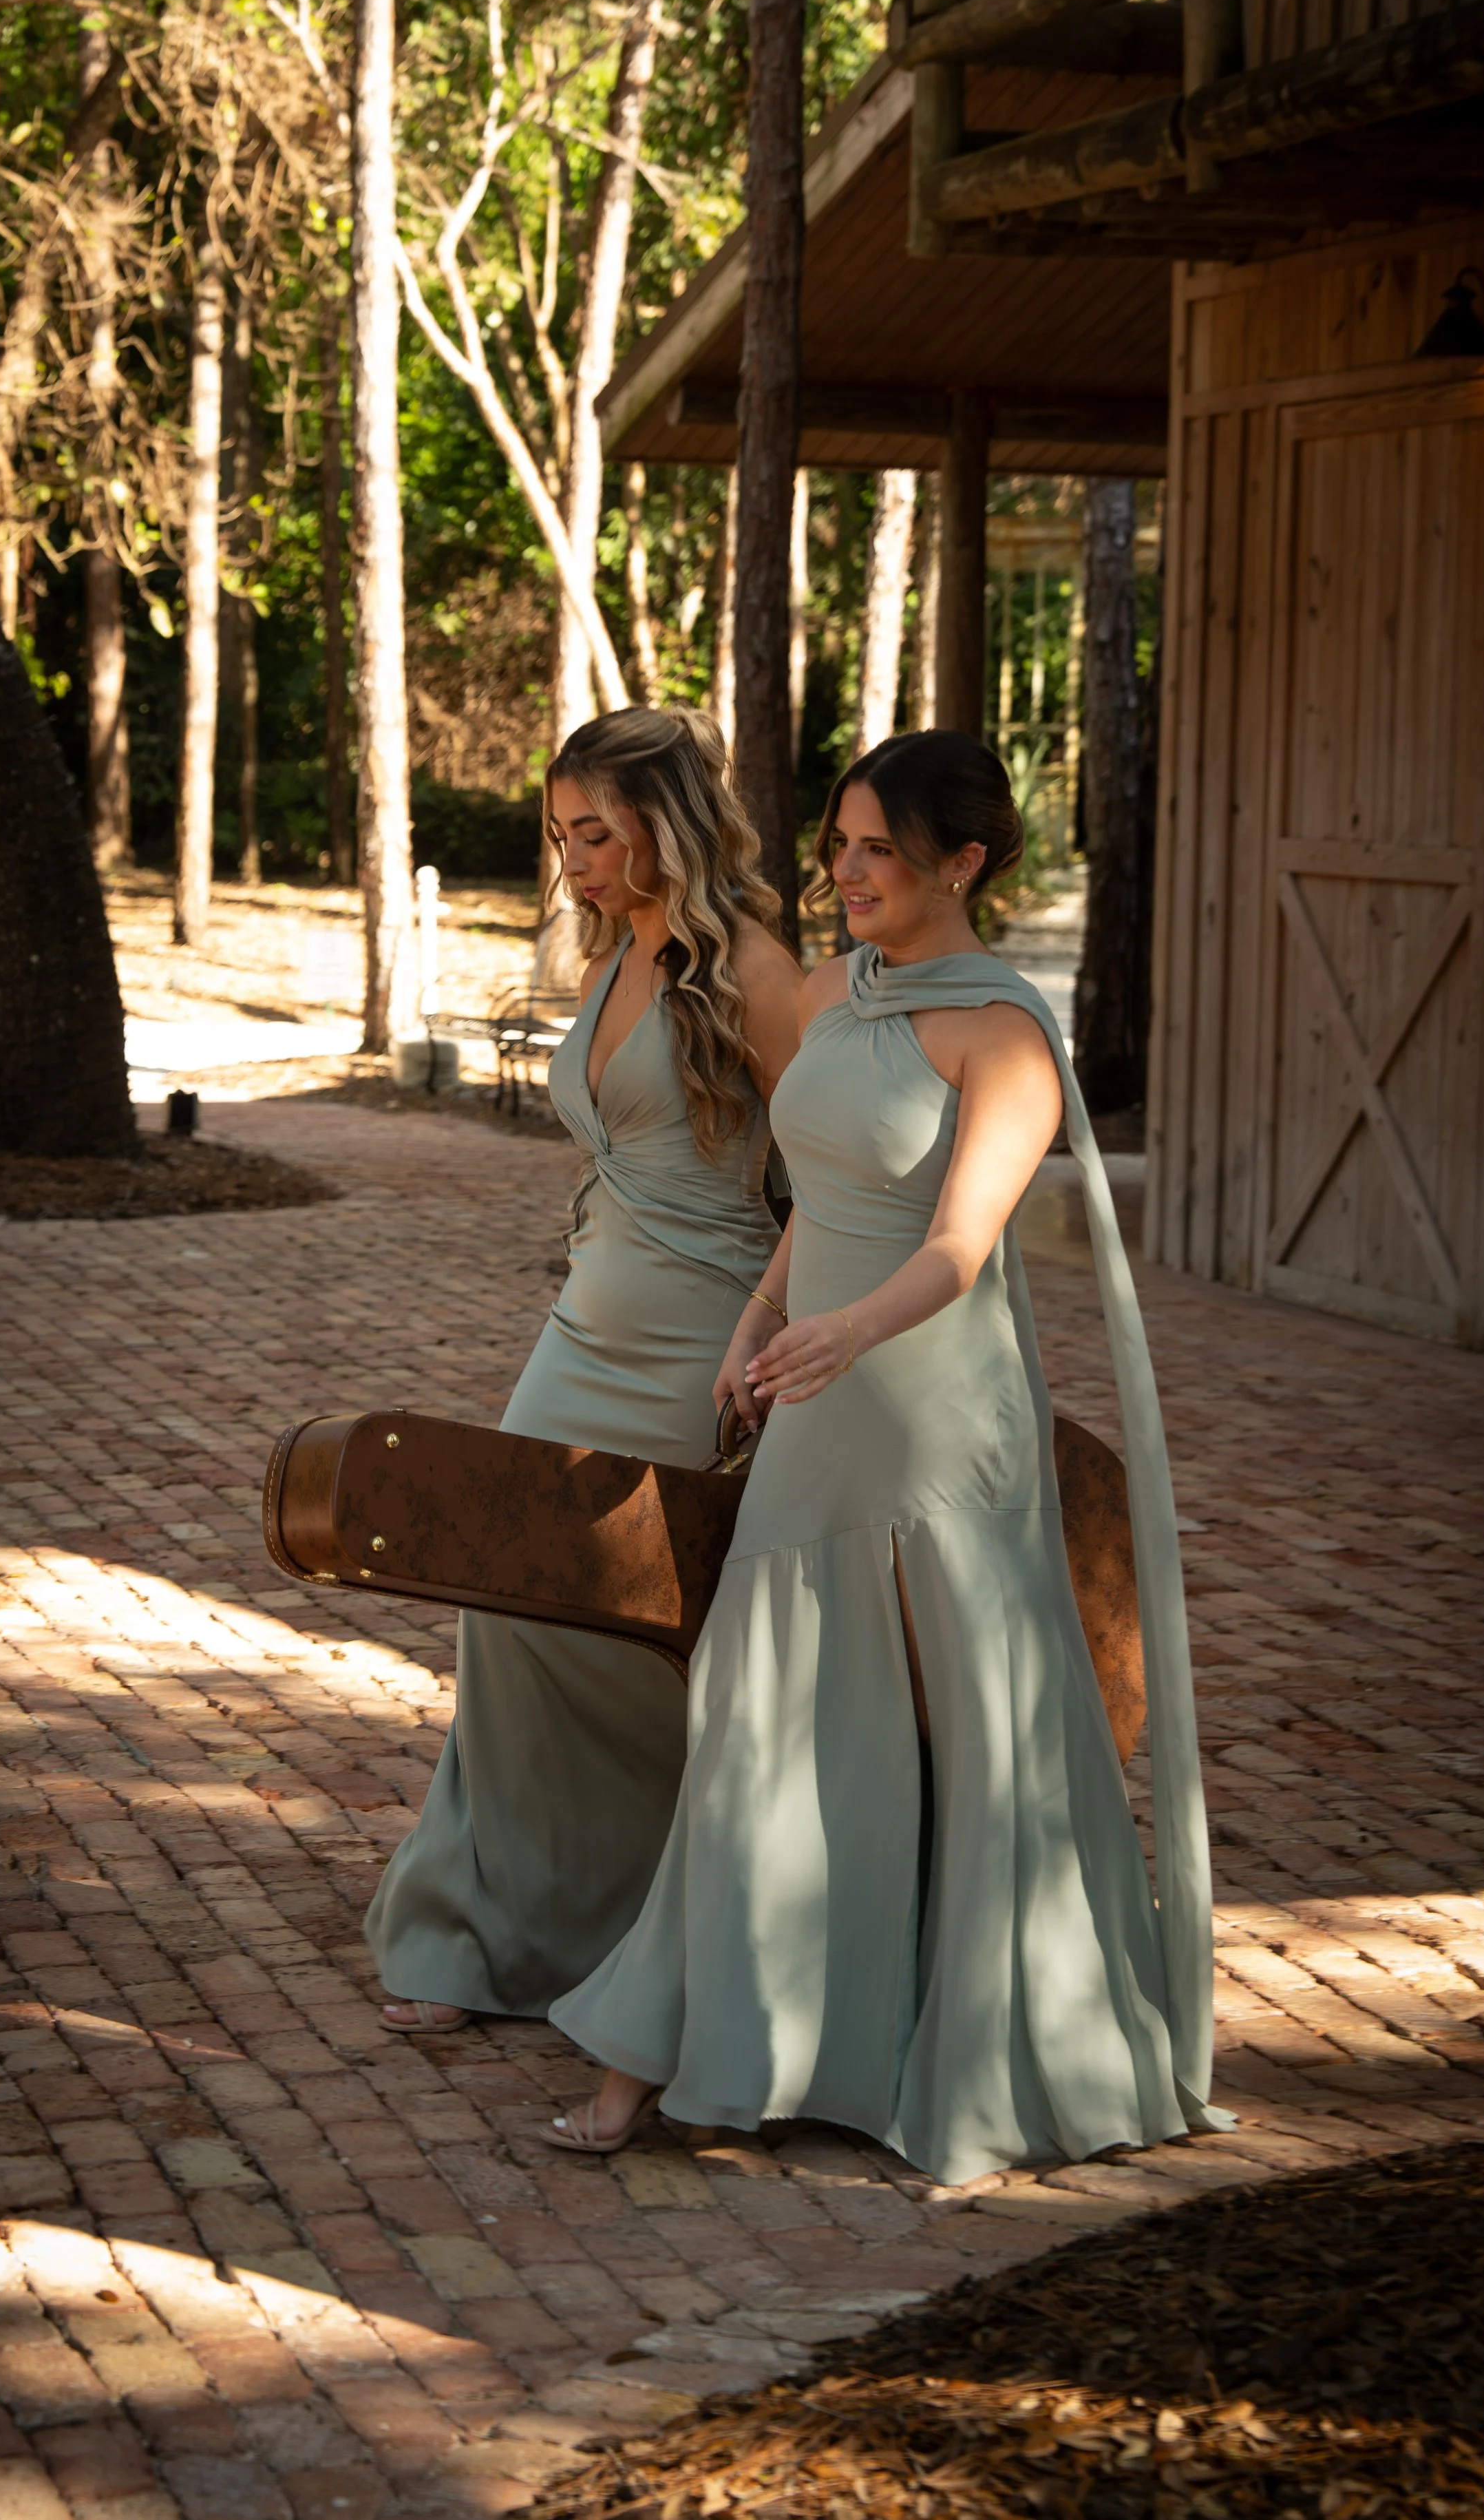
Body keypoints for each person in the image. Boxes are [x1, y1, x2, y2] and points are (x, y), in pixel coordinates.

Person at [543, 729, 1225, 2184]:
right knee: (753, 1708)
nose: (841, 872)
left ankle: (991, 2053)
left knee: (970, 1734)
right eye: (838, 844)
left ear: (958, 865)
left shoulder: (1004, 1033)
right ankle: (681, 2059)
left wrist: (840, 1335)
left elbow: (960, 1247)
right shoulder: (843, 991)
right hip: (816, 1393)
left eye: (874, 852)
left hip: (934, 1423)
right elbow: (820, 1193)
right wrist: (757, 1320)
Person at [367, 706, 803, 2033]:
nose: (576, 862)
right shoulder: (614, 954)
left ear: (667, 822)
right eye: (561, 835)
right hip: (583, 1328)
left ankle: (660, 1920)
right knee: (503, 1600)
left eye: (597, 833)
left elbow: (836, 1179)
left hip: (700, 1342)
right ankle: (483, 1932)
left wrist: (780, 1339)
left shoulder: (763, 973)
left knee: (643, 1639)